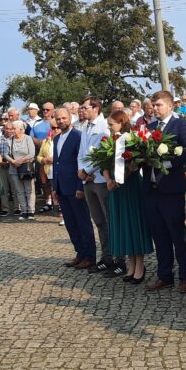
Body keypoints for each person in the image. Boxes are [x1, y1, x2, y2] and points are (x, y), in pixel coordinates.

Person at [144, 90, 186, 293]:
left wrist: (166, 159)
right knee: (159, 234)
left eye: (158, 105)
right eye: (153, 105)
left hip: (171, 187)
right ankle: (164, 275)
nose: (154, 108)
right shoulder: (148, 128)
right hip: (151, 188)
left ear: (169, 105)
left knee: (177, 233)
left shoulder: (180, 125)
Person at [103, 109, 153, 284]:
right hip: (116, 189)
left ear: (121, 123)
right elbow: (103, 161)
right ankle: (131, 265)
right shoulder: (110, 140)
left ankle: (140, 266)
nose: (109, 127)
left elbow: (134, 164)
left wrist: (121, 177)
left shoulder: (131, 140)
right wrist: (109, 179)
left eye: (111, 124)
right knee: (123, 225)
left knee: (133, 224)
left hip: (130, 187)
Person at [51, 108, 97, 269]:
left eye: (64, 118)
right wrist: (54, 187)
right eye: (58, 119)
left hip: (75, 186)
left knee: (82, 222)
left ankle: (90, 256)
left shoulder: (78, 136)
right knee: (70, 223)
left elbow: (82, 162)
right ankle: (80, 253)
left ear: (70, 118)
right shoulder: (56, 139)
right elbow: (56, 163)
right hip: (62, 186)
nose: (61, 121)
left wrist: (80, 186)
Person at [77, 96, 115, 275]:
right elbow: (81, 152)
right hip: (87, 180)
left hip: (100, 178)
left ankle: (116, 257)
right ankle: (106, 257)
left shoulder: (104, 126)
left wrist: (87, 169)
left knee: (109, 220)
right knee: (98, 221)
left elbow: (103, 152)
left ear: (96, 108)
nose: (82, 110)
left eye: (85, 107)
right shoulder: (85, 126)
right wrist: (81, 171)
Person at [5, 120, 37, 220]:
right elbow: (6, 154)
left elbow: (32, 154)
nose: (12, 131)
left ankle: (31, 211)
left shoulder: (28, 138)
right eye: (11, 128)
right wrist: (14, 162)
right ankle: (23, 211)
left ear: (21, 129)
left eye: (14, 128)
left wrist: (20, 161)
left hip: (26, 168)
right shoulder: (9, 140)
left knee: (29, 190)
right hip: (14, 169)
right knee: (19, 191)